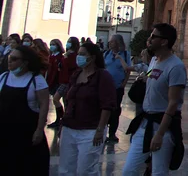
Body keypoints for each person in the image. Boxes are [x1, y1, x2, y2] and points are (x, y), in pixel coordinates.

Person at [122, 23, 186, 176]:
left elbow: (173, 103)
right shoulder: (154, 61)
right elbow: (151, 80)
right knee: (129, 171)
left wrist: (160, 134)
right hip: (145, 122)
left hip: (162, 126)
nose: (149, 39)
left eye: (153, 36)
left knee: (158, 172)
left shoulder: (175, 66)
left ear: (164, 41)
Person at [59, 41, 116, 175]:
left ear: (92, 57)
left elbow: (107, 105)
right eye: (78, 54)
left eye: (83, 54)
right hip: (70, 127)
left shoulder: (103, 76)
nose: (79, 57)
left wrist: (100, 129)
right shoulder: (76, 74)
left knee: (86, 169)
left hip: (90, 129)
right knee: (66, 169)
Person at [0, 45, 51, 175]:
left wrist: (39, 130)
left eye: (14, 59)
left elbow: (44, 104)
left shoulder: (36, 80)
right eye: (10, 57)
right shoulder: (3, 77)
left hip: (27, 135)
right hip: (5, 134)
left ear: (25, 62)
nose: (10, 61)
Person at [104, 34, 131, 143]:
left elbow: (128, 70)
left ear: (118, 43)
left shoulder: (125, 54)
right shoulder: (106, 54)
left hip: (117, 87)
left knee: (115, 110)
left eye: (112, 42)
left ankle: (112, 134)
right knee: (105, 108)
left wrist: (124, 83)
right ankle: (104, 131)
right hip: (106, 87)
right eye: (110, 41)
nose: (110, 43)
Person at [51, 37, 80, 129]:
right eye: (67, 42)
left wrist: (66, 58)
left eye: (70, 42)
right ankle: (61, 118)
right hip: (62, 80)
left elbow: (71, 66)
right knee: (59, 100)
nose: (68, 44)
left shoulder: (74, 55)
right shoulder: (66, 54)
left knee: (60, 99)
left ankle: (64, 119)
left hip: (68, 81)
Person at [46, 39, 70, 128]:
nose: (52, 46)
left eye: (54, 44)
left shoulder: (60, 57)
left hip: (58, 81)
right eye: (51, 44)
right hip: (52, 81)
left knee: (59, 100)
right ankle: (59, 119)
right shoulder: (51, 56)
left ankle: (62, 118)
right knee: (56, 100)